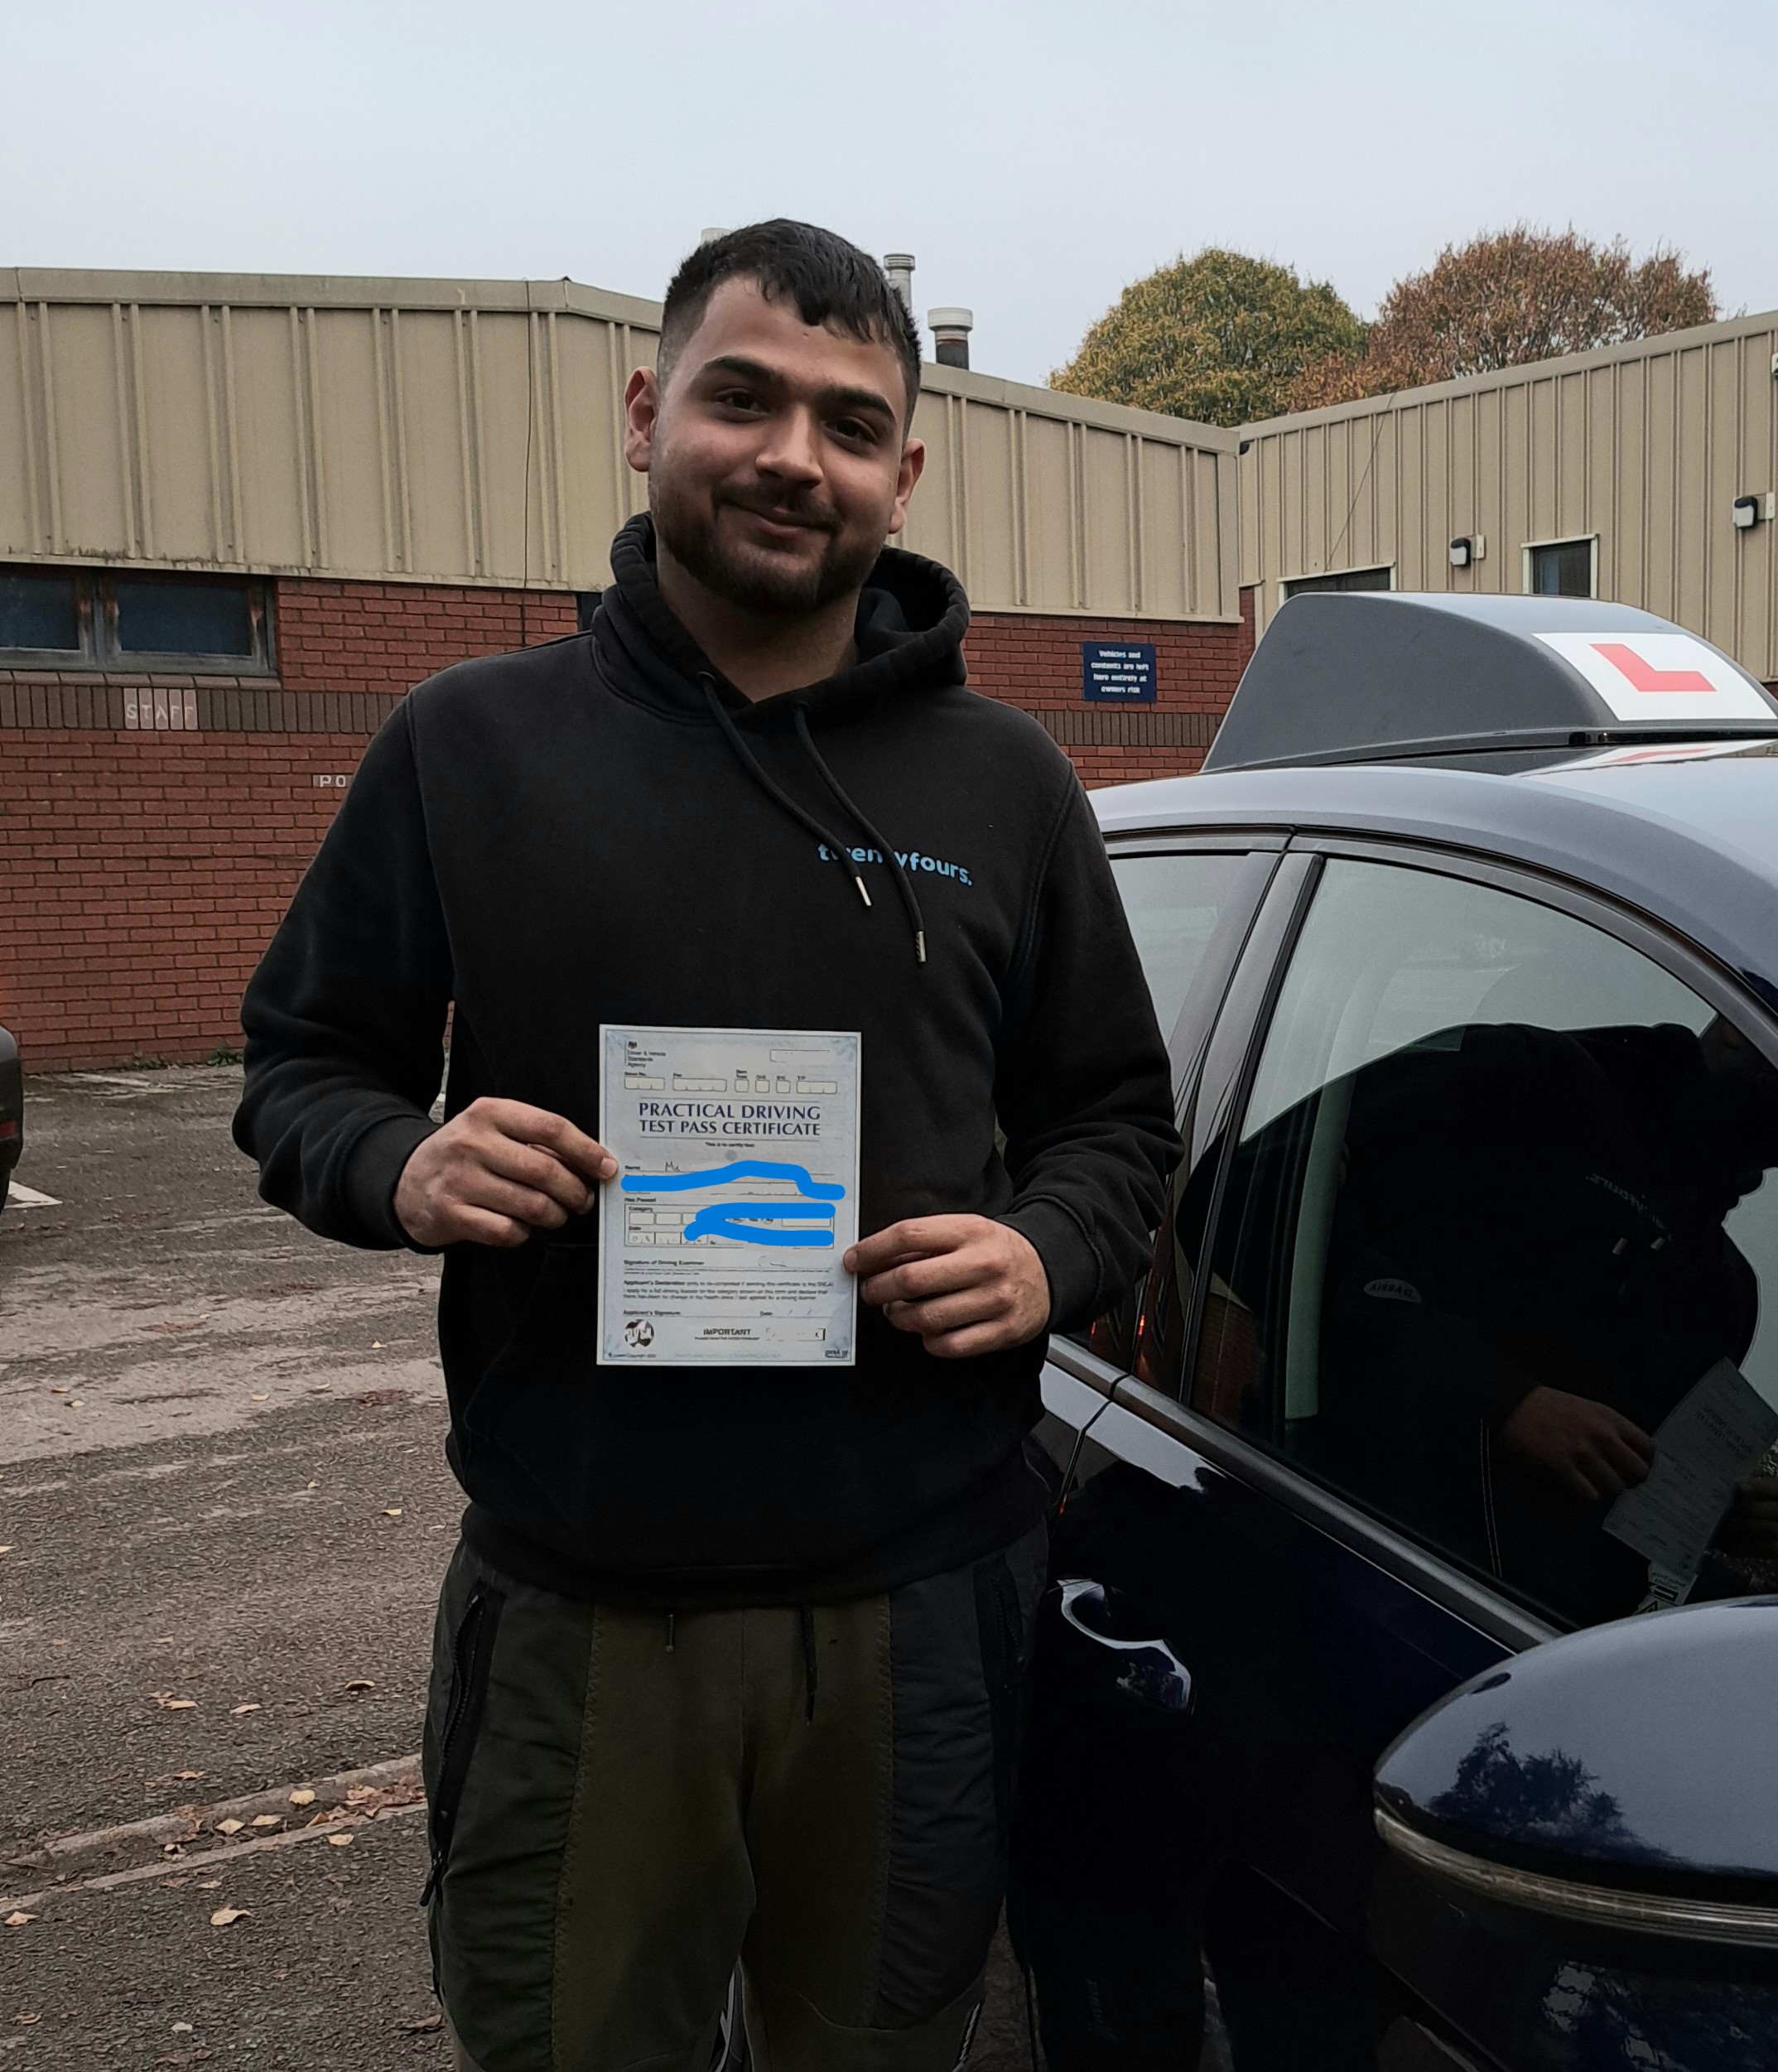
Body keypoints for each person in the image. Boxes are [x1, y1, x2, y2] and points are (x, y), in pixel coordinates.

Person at [233, 219, 1178, 2072]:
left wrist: (1043, 1251)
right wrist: (400, 1167)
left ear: (903, 474)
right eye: (742, 399)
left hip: (918, 1608)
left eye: (849, 422)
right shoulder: (467, 744)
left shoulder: (1009, 784)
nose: (790, 456)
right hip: (593, 1604)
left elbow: (1116, 1125)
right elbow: (299, 1069)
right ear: (646, 412)